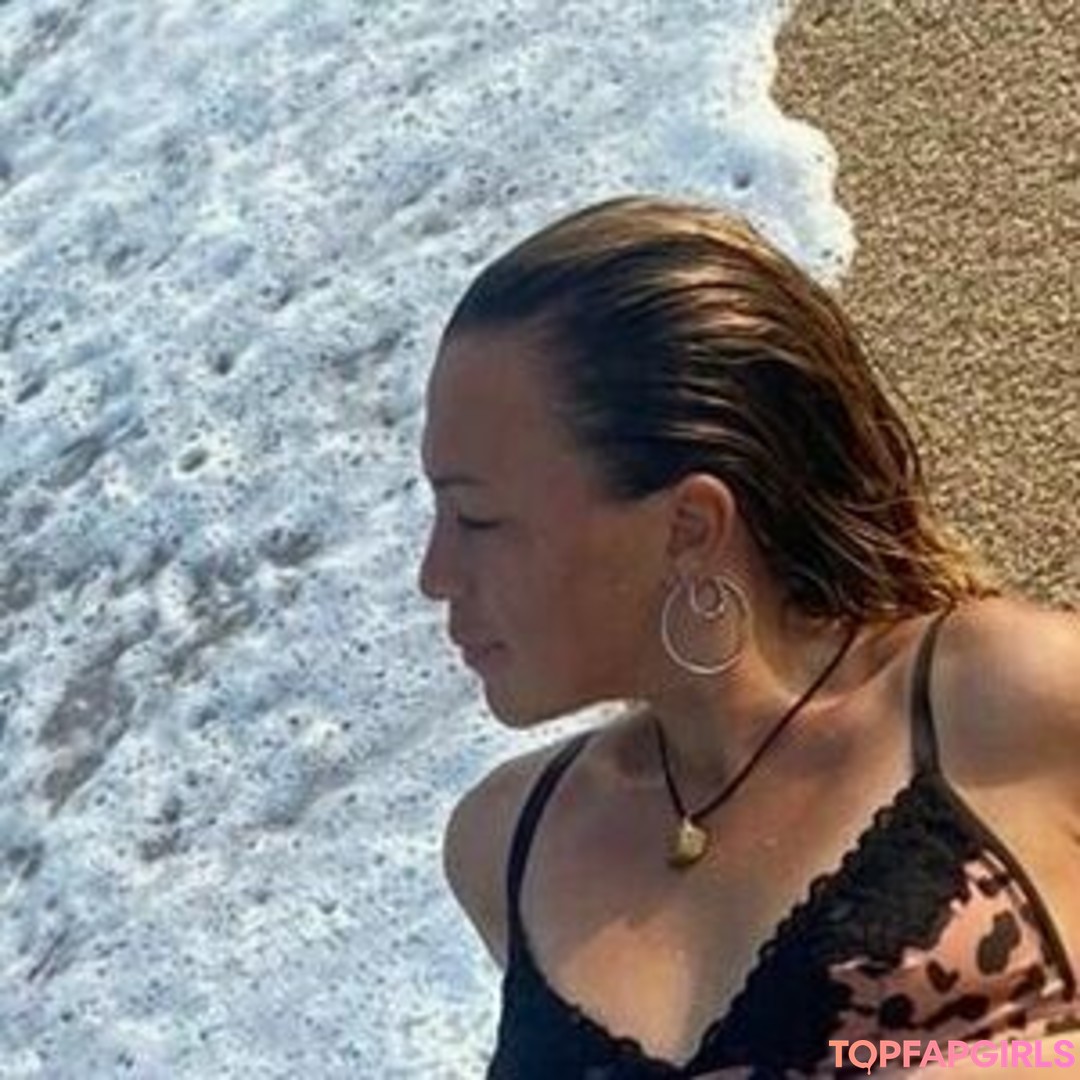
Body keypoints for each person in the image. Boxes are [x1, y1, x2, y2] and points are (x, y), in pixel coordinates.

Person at [417, 195, 1080, 1078]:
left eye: (478, 520)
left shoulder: (1006, 700)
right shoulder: (504, 849)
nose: (435, 573)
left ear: (688, 527)